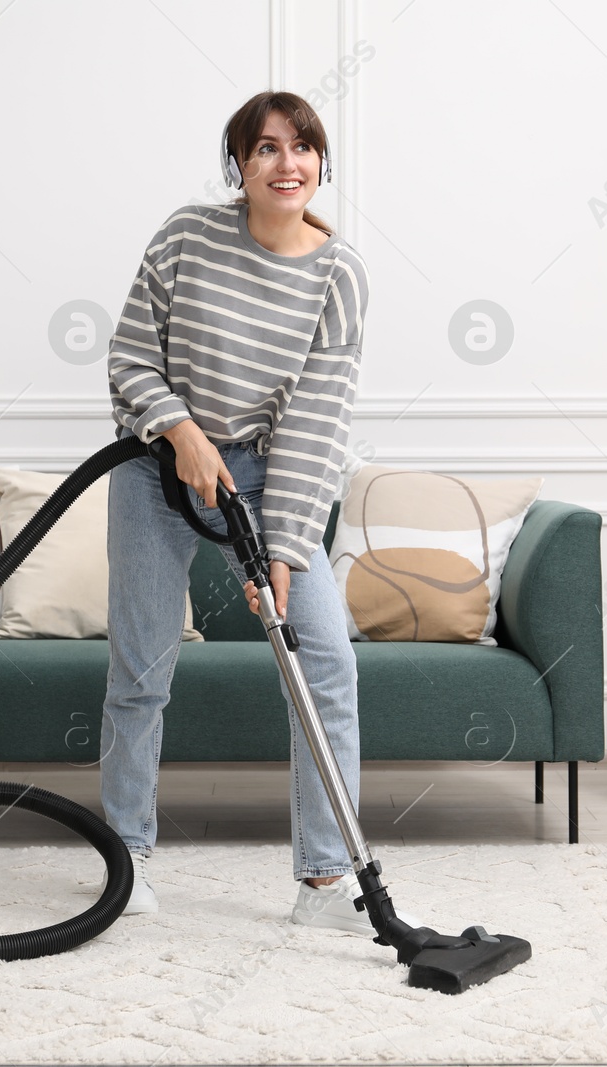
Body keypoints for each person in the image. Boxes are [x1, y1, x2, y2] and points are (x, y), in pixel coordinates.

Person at [100, 91, 421, 936]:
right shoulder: (185, 238)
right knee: (141, 669)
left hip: (269, 470)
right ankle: (126, 863)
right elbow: (131, 354)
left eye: (304, 147)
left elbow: (318, 424)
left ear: (321, 161)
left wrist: (278, 553)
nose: (289, 164)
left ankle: (324, 882)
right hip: (152, 465)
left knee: (324, 655)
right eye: (268, 148)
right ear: (238, 164)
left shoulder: (339, 274)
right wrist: (180, 432)